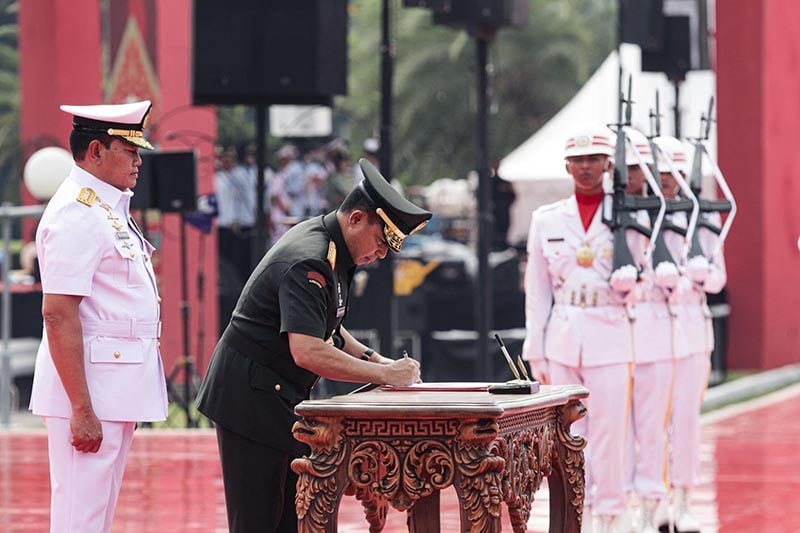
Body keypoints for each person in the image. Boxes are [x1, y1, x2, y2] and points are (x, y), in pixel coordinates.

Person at [196, 158, 431, 533]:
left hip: (276, 395)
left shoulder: (336, 247)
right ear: (356, 219)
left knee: (292, 519)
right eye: (381, 241)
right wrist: (385, 373)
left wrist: (373, 358)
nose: (382, 254)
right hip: (248, 400)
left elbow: (328, 324)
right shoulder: (310, 259)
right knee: (258, 521)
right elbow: (307, 349)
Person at [29, 100, 168, 533]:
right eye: (129, 152)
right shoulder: (77, 212)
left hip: (111, 387)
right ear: (96, 152)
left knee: (96, 516)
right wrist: (81, 407)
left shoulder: (106, 209)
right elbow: (58, 313)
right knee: (79, 518)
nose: (138, 161)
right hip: (90, 391)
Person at [522, 125, 640, 533]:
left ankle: (612, 511)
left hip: (611, 329)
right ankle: (577, 511)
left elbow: (645, 278)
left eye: (593, 160)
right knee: (569, 434)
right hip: (564, 335)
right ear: (567, 166)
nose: (585, 168)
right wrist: (535, 349)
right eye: (578, 160)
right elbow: (537, 290)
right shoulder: (547, 218)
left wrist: (634, 286)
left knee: (610, 428)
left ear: (608, 164)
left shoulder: (630, 215)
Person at [653, 135, 727, 533]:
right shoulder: (642, 214)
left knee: (685, 422)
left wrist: (700, 274)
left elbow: (719, 277)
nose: (668, 180)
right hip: (651, 331)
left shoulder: (703, 218)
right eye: (661, 172)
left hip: (692, 331)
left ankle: (682, 500)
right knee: (650, 424)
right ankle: (654, 501)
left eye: (675, 172)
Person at [619, 128, 681, 533]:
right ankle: (617, 504)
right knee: (614, 429)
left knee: (654, 424)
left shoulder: (665, 216)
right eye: (627, 170)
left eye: (640, 170)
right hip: (615, 335)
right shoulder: (608, 214)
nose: (636, 178)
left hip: (655, 331)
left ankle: (653, 503)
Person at [214, 146, 256, 283]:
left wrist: (236, 219)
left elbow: (241, 200)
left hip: (238, 223)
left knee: (240, 259)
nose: (225, 161)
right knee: (225, 259)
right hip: (222, 222)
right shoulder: (218, 176)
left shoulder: (240, 175)